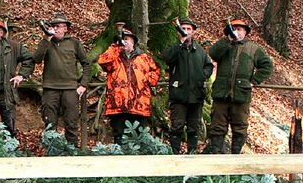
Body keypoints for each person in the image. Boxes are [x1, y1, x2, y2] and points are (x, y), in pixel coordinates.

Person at [208, 18, 273, 154]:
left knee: (240, 127)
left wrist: (254, 81)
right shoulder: (224, 45)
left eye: (239, 29)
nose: (236, 32)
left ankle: (236, 156)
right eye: (234, 29)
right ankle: (215, 155)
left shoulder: (253, 49)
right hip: (221, 94)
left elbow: (267, 66)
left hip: (241, 95)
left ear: (245, 32)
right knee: (217, 126)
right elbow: (213, 53)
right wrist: (227, 40)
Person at [32, 14, 92, 147]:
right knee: (49, 121)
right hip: (50, 88)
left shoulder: (74, 43)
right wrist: (47, 38)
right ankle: (51, 149)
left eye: (59, 26)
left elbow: (87, 64)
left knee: (71, 121)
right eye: (54, 26)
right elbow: (36, 59)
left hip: (70, 88)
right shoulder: (46, 42)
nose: (56, 29)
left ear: (66, 29)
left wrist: (83, 85)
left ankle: (72, 150)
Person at [98, 28, 160, 145]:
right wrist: (116, 47)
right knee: (120, 135)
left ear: (133, 42)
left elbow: (155, 72)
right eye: (121, 40)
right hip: (118, 104)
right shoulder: (114, 59)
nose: (124, 42)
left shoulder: (144, 58)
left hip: (140, 104)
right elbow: (102, 61)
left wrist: (146, 80)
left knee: (141, 134)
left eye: (126, 39)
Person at [161, 17, 213, 154]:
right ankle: (174, 154)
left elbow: (209, 66)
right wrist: (180, 43)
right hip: (179, 95)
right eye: (183, 28)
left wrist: (202, 75)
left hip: (196, 96)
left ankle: (192, 153)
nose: (186, 31)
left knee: (193, 127)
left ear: (193, 31)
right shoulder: (174, 48)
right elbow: (167, 58)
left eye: (188, 29)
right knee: (177, 126)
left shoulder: (200, 50)